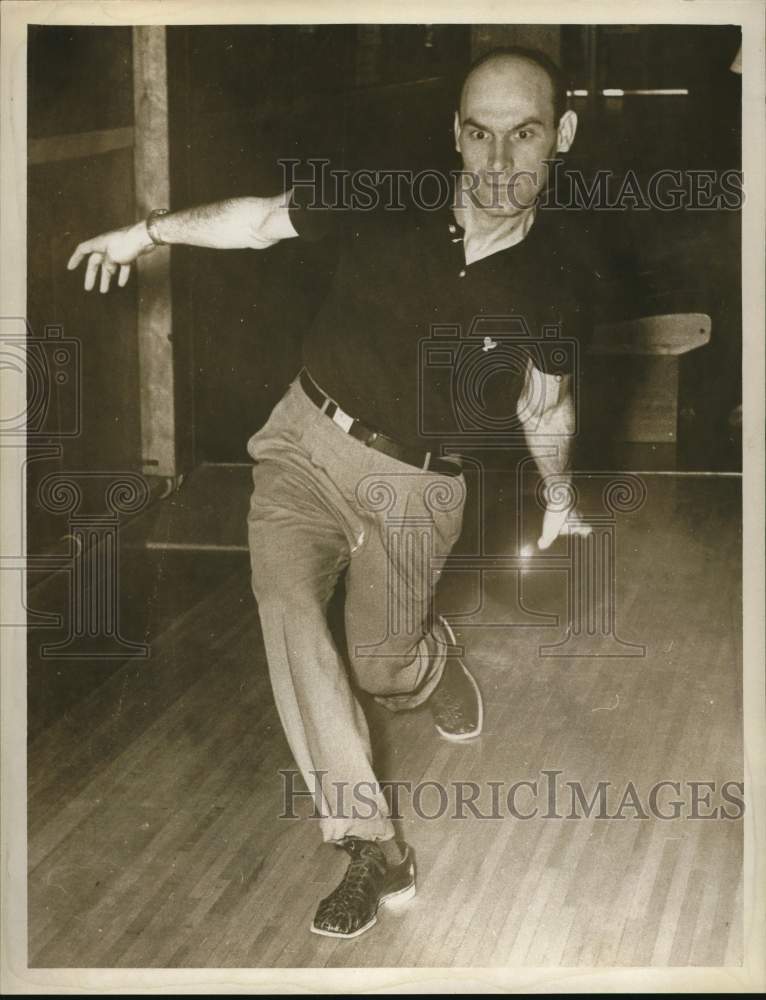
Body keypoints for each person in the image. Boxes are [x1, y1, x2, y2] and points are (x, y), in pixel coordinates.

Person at [68, 46, 594, 940]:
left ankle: (429, 663)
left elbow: (545, 405)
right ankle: (371, 848)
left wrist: (559, 496)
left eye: (524, 134)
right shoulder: (392, 197)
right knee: (287, 608)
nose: (499, 162)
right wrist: (146, 231)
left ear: (563, 136)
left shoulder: (559, 278)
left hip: (420, 489)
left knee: (380, 668)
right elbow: (262, 220)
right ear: (455, 137)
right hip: (305, 444)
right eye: (479, 134)